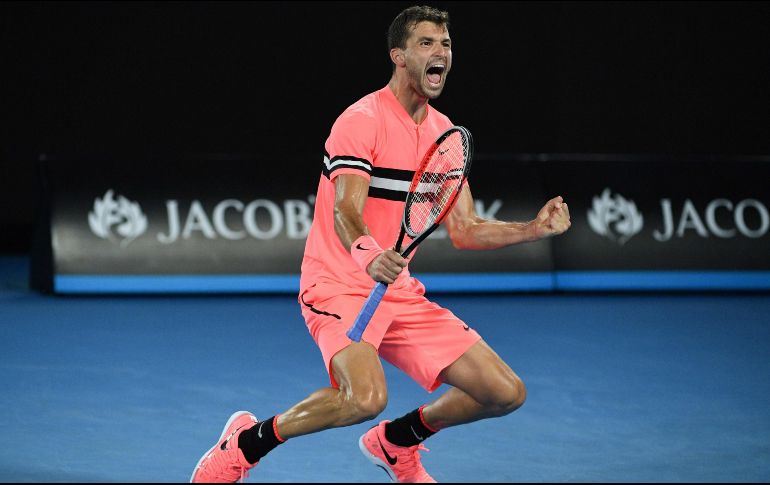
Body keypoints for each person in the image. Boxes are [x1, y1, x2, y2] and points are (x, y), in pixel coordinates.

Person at [190, 5, 571, 483]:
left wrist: (531, 230)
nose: (441, 53)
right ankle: (244, 444)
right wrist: (370, 257)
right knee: (363, 399)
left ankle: (397, 442)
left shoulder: (444, 137)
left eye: (447, 44)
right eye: (427, 43)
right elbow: (345, 212)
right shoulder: (360, 120)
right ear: (399, 55)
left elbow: (465, 229)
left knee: (503, 391)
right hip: (337, 283)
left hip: (396, 289)